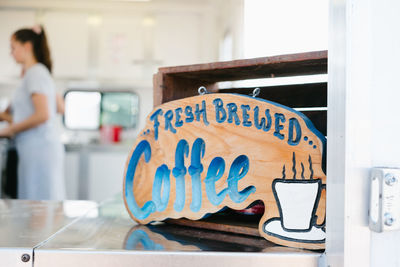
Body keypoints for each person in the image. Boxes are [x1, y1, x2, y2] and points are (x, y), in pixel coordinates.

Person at [0, 25, 65, 200]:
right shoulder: (38, 73)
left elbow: (43, 115)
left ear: (27, 46)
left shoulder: (36, 73)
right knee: (39, 203)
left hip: (38, 149)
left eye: (13, 47)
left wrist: (9, 130)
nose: (11, 53)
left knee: (38, 205)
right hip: (36, 148)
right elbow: (59, 107)